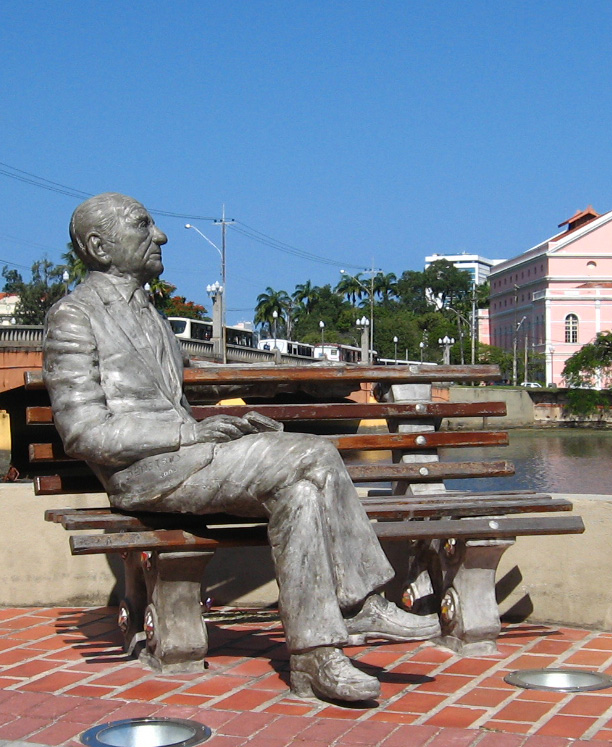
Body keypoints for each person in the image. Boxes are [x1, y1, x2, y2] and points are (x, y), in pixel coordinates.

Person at [43, 192, 438, 703]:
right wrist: (191, 433)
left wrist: (248, 412)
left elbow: (179, 390)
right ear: (99, 246)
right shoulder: (74, 317)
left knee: (298, 495)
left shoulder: (152, 315)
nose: (159, 236)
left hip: (185, 460)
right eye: (144, 226)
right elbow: (83, 432)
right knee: (313, 455)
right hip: (144, 472)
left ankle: (314, 659)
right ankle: (357, 600)